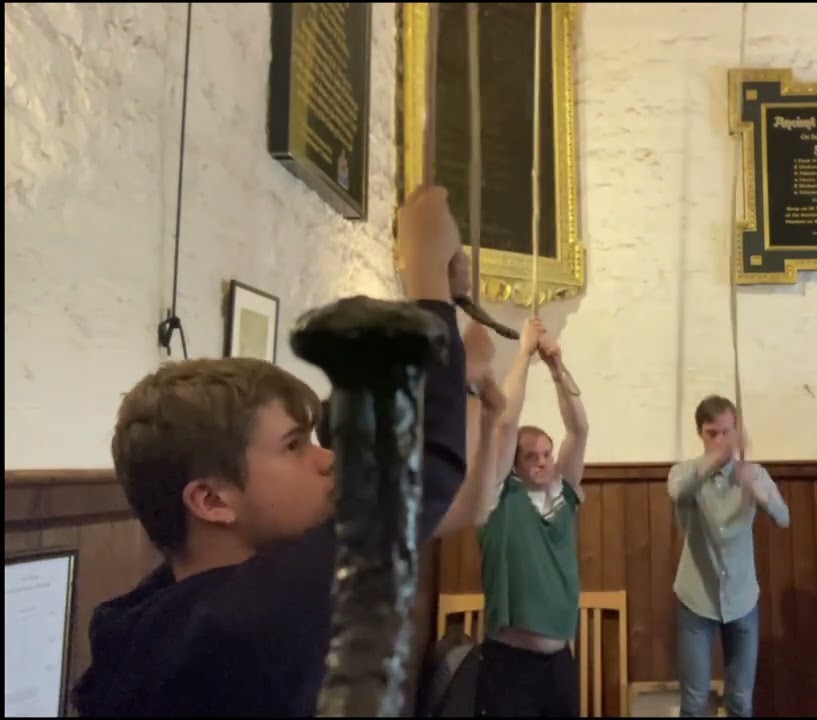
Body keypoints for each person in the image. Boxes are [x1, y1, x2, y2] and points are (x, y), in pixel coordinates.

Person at [71, 185, 508, 716]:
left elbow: (449, 505)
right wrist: (428, 275)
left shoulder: (167, 611)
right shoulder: (243, 623)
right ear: (211, 500)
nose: (326, 460)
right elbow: (427, 475)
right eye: (293, 446)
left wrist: (461, 374)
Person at [472, 317, 590, 717]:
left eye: (547, 454)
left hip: (559, 665)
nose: (542, 462)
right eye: (531, 457)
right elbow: (505, 424)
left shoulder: (563, 492)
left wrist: (557, 368)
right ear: (514, 465)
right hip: (510, 666)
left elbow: (579, 428)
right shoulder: (497, 497)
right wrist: (523, 353)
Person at [667, 395, 790, 717]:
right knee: (694, 704)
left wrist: (759, 491)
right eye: (712, 433)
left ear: (737, 431)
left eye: (726, 432)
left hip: (742, 599)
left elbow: (783, 518)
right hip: (697, 598)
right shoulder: (684, 472)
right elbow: (679, 492)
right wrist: (714, 462)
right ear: (700, 433)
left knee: (740, 701)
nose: (720, 440)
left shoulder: (753, 472)